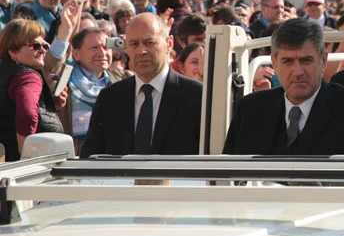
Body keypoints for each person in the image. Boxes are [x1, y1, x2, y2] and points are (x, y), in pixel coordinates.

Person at [223, 18, 344, 155]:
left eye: (306, 60)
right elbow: (228, 177)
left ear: (323, 61)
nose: (297, 72)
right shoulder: (251, 110)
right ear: (274, 63)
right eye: (287, 61)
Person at [80, 13, 203, 158]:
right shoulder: (110, 98)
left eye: (149, 42)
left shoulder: (196, 97)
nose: (141, 51)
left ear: (169, 43)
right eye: (134, 44)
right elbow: (91, 158)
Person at [0, 14, 76, 162]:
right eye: (35, 45)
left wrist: (48, 106)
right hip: (23, 169)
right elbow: (27, 114)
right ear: (13, 52)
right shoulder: (28, 77)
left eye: (45, 45)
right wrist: (26, 152)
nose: (42, 50)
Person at [68, 27, 131, 149]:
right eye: (94, 48)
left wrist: (131, 49)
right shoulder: (64, 80)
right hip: (75, 152)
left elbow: (151, 76)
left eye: (106, 47)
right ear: (76, 54)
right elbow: (51, 65)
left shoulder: (123, 77)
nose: (102, 53)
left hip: (113, 150)